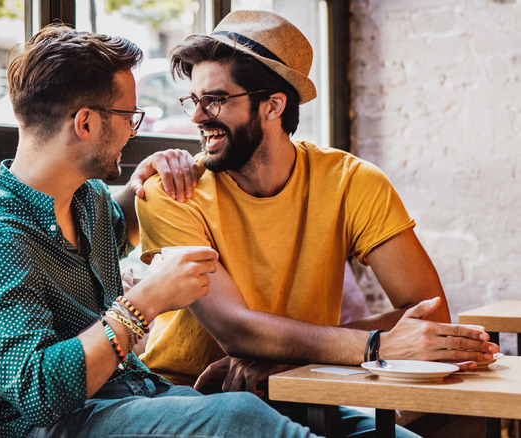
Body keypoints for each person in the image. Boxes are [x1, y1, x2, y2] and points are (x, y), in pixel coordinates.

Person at [0, 23, 323, 438]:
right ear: (86, 123)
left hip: (136, 396)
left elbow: (122, 228)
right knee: (242, 416)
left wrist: (156, 174)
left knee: (262, 410)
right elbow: (37, 392)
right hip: (64, 423)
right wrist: (145, 302)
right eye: (128, 116)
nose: (133, 130)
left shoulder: (87, 202)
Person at [135, 9, 498, 435]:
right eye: (193, 100)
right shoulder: (171, 191)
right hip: (190, 397)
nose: (197, 116)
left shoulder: (352, 182)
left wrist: (292, 357)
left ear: (273, 105)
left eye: (214, 99)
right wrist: (370, 345)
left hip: (298, 391)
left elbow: (430, 314)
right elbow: (236, 331)